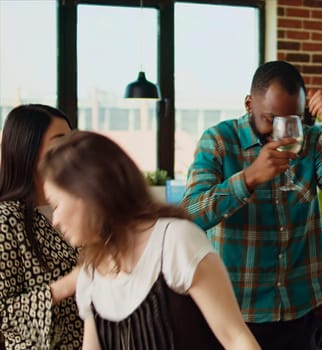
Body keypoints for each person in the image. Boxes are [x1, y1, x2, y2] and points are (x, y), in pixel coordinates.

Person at [181, 60, 322, 349]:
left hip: (298, 307)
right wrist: (248, 179)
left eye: (293, 121)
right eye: (271, 120)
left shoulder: (314, 140)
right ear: (248, 104)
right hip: (235, 310)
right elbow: (190, 215)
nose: (283, 133)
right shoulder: (218, 140)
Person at [39, 131, 260, 350]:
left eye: (57, 204)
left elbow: (236, 339)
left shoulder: (176, 241)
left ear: (88, 194)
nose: (55, 220)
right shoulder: (91, 272)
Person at [0, 104, 83, 349]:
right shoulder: (7, 219)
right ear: (27, 148)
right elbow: (3, 313)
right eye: (59, 141)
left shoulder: (77, 209)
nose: (71, 151)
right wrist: (67, 285)